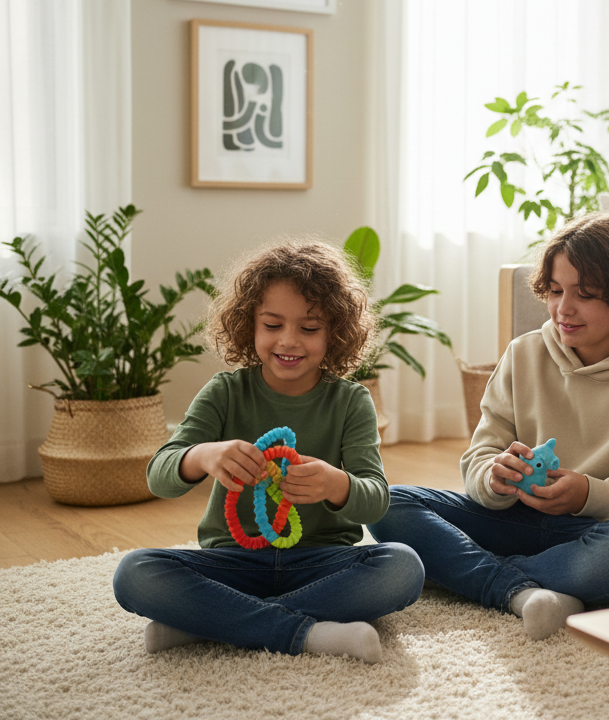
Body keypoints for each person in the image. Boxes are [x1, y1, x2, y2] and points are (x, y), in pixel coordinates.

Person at [367, 212, 609, 639]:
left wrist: (591, 493)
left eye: (585, 294)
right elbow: (481, 452)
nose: (562, 309)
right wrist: (493, 478)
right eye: (554, 291)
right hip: (512, 519)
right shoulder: (524, 354)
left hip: (597, 532)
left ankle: (465, 571)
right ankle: (525, 589)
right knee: (388, 501)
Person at [112, 241, 424, 663]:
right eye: (272, 325)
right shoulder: (225, 392)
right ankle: (311, 633)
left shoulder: (351, 401)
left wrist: (336, 484)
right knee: (135, 573)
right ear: (249, 326)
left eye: (309, 329)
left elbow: (375, 500)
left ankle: (210, 624)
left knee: (402, 567)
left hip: (321, 563)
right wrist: (203, 456)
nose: (289, 341)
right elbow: (159, 475)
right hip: (234, 563)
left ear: (335, 332)